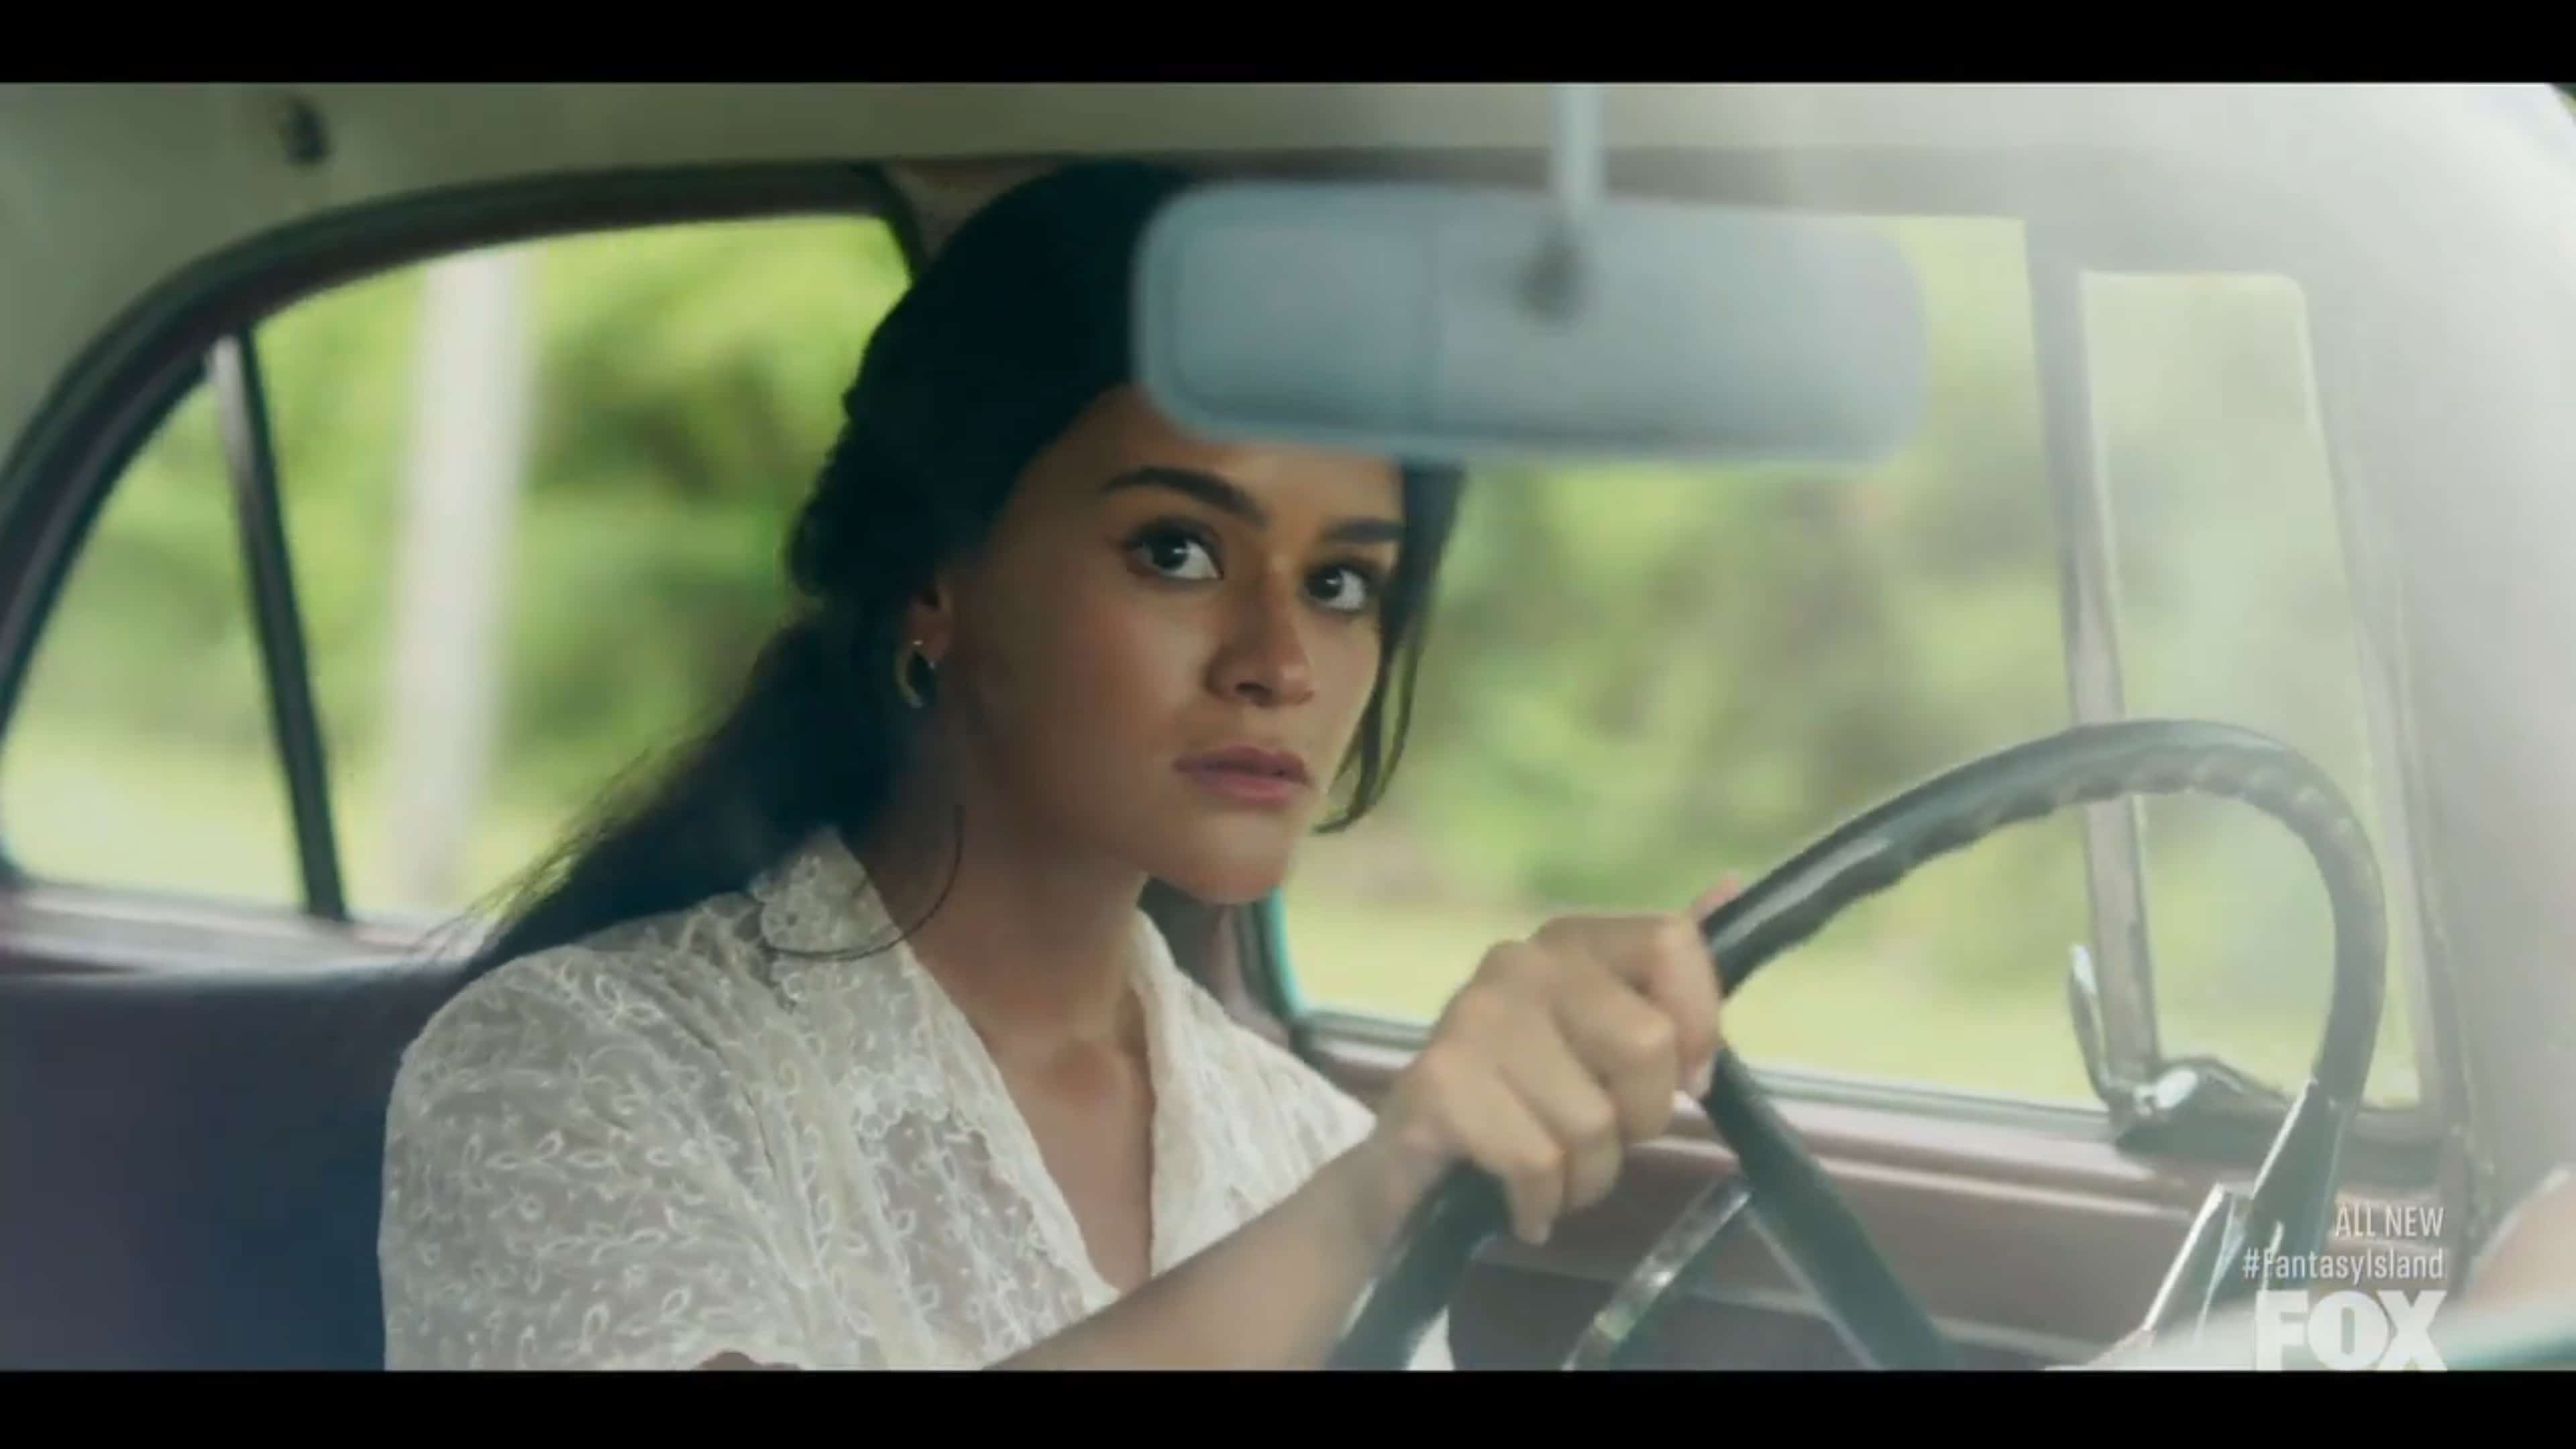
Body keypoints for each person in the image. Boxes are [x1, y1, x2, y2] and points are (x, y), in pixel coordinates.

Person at [377, 160, 1731, 1371]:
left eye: (1339, 581)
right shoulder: (570, 1073)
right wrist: (1372, 1203)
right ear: (934, 580)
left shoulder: (1297, 1137)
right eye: (1178, 552)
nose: (1281, 661)